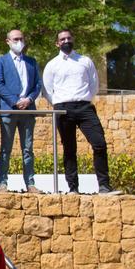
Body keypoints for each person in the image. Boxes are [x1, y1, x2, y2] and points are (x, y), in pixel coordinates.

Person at [43, 29, 119, 194]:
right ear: (57, 43)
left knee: (99, 144)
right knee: (69, 149)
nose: (66, 41)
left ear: (73, 39)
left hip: (85, 107)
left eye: (69, 38)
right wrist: (58, 103)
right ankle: (73, 188)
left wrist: (84, 99)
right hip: (63, 109)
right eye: (62, 39)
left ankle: (104, 186)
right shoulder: (52, 65)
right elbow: (48, 90)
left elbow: (94, 85)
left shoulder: (85, 61)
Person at [0, 29, 43, 194]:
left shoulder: (31, 61)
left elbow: (37, 85)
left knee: (28, 149)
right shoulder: (0, 61)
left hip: (28, 111)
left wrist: (29, 99)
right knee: (5, 148)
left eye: (21, 38)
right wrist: (15, 101)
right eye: (15, 39)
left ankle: (30, 183)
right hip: (9, 110)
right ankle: (3, 183)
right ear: (7, 41)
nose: (19, 42)